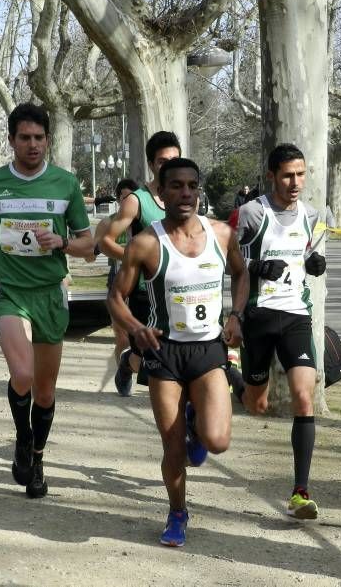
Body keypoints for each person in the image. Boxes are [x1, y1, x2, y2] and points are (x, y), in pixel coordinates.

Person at [107, 157, 248, 547]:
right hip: (164, 353)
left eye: (192, 185)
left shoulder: (221, 234)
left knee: (216, 441)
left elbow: (240, 273)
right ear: (162, 192)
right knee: (172, 447)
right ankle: (177, 512)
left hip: (207, 351)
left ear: (198, 190)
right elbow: (116, 298)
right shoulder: (146, 243)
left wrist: (236, 313)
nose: (185, 193)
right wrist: (135, 328)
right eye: (176, 186)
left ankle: (197, 424)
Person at [0, 103, 93, 498]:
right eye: (25, 138)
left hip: (51, 294)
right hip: (9, 292)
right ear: (11, 140)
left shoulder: (65, 184)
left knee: (44, 391)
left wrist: (64, 243)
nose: (33, 145)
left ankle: (37, 458)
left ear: (48, 140)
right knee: (22, 375)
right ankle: (23, 438)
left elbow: (89, 244)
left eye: (39, 138)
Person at [237, 143, 328, 520]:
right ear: (272, 175)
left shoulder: (315, 215)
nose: (295, 183)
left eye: (301, 174)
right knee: (256, 404)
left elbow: (311, 254)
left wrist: (316, 263)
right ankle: (229, 374)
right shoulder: (252, 213)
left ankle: (300, 492)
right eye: (288, 175)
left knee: (303, 398)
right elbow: (230, 260)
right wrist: (256, 266)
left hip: (295, 316)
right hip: (259, 317)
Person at [99, 131, 181, 396]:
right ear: (151, 164)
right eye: (162, 161)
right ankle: (128, 363)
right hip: (145, 292)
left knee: (177, 351)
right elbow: (106, 242)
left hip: (180, 290)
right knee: (146, 353)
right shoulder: (136, 201)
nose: (169, 166)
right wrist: (138, 260)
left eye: (174, 160)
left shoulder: (189, 196)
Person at [93, 178, 138, 363]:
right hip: (116, 279)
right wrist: (96, 248)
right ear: (118, 200)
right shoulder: (107, 224)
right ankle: (123, 372)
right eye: (124, 198)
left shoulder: (144, 223)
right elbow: (90, 254)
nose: (127, 203)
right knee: (121, 336)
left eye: (132, 198)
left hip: (141, 281)